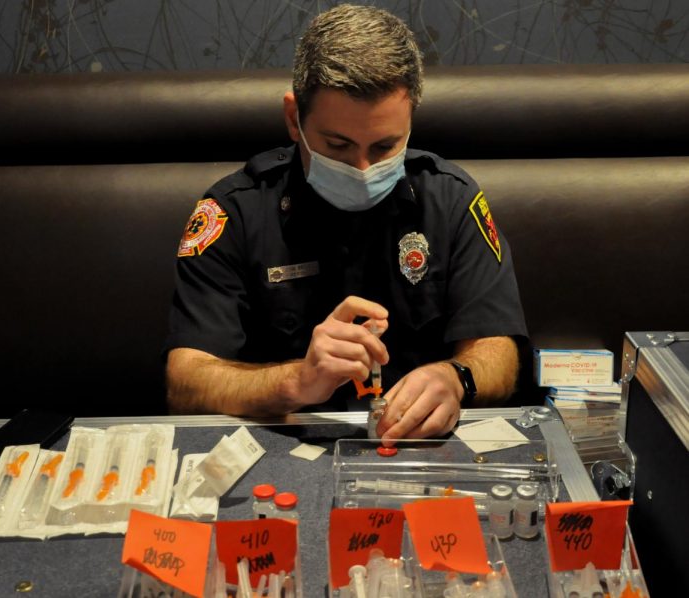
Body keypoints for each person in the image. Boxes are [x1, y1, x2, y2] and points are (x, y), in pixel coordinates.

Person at [163, 4, 528, 442]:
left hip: (417, 447)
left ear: (410, 119)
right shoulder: (233, 211)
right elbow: (185, 381)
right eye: (337, 145)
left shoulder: (451, 199)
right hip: (279, 449)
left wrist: (456, 378)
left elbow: (499, 351)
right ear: (293, 119)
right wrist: (297, 381)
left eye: (384, 146)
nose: (361, 168)